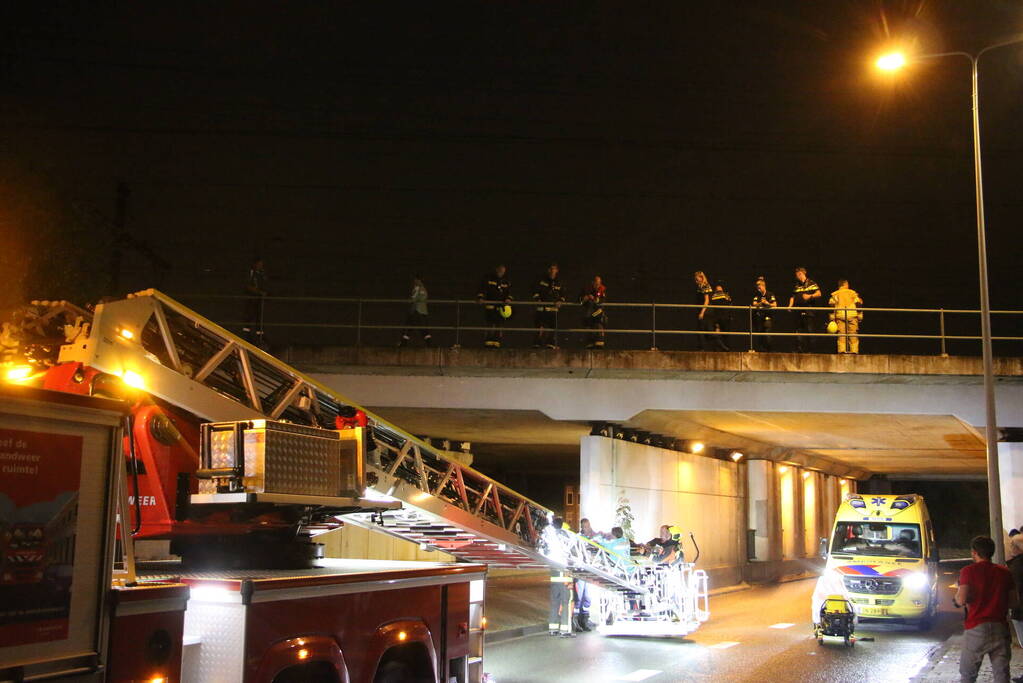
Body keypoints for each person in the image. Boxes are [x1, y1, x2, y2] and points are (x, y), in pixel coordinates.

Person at [954, 535, 1018, 683]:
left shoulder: (968, 571)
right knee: (1002, 675)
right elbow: (1014, 602)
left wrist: (957, 595)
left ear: (974, 552)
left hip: (976, 627)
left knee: (968, 675)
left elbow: (961, 599)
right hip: (1000, 628)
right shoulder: (1005, 572)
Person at [542, 516, 574, 637]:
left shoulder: (549, 536)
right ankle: (565, 629)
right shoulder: (565, 536)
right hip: (564, 574)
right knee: (566, 602)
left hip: (554, 574)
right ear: (562, 524)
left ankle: (553, 628)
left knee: (554, 602)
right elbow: (571, 552)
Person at [788, 267, 822, 353]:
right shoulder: (797, 285)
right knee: (799, 330)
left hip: (809, 311)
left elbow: (819, 294)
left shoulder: (811, 283)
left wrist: (809, 296)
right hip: (798, 311)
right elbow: (792, 297)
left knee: (810, 330)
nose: (796, 277)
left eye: (797, 275)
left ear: (801, 274)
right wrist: (790, 306)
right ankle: (800, 350)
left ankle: (812, 350)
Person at [477, 265, 512, 348]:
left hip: (500, 306)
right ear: (496, 270)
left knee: (499, 324)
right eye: (500, 270)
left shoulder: (506, 281)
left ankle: (496, 342)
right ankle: (488, 342)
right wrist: (480, 297)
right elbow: (482, 289)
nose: (501, 272)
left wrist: (508, 299)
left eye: (503, 271)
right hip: (490, 305)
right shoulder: (489, 278)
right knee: (490, 323)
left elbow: (509, 292)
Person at [532, 264, 565, 349]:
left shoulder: (559, 282)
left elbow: (563, 294)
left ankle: (550, 344)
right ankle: (537, 343)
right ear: (548, 270)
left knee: (552, 327)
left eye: (554, 269)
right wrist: (537, 299)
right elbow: (535, 291)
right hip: (541, 308)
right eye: (551, 269)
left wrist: (560, 301)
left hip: (553, 309)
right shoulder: (541, 280)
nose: (552, 271)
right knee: (539, 327)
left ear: (557, 270)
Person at [829, 279, 863, 354]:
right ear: (845, 284)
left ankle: (842, 351)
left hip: (840, 315)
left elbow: (831, 306)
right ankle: (854, 351)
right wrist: (860, 316)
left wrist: (832, 318)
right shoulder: (853, 293)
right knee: (853, 333)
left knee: (841, 334)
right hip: (852, 315)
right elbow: (859, 304)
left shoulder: (835, 294)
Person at [398, 274, 432, 347]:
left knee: (410, 326)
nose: (414, 281)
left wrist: (413, 300)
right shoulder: (420, 289)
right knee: (420, 327)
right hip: (419, 311)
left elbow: (416, 298)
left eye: (416, 280)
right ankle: (429, 344)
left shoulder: (419, 288)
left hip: (418, 311)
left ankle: (403, 343)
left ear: (418, 280)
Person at [242, 257, 267, 345]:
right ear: (255, 264)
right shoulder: (250, 273)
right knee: (249, 316)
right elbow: (248, 285)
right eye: (259, 264)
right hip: (251, 299)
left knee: (258, 317)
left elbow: (263, 284)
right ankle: (246, 336)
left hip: (258, 300)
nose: (261, 266)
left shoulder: (261, 273)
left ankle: (260, 336)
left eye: (261, 264)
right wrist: (259, 292)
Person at [580, 276, 607, 349]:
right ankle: (590, 343)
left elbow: (602, 302)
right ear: (593, 282)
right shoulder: (586, 289)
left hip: (597, 312)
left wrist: (594, 299)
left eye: (598, 284)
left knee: (598, 324)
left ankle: (599, 342)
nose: (597, 285)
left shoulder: (602, 290)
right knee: (588, 324)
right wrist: (585, 298)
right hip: (588, 313)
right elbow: (579, 300)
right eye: (596, 283)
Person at [751, 276, 777, 352]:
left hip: (768, 317)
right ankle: (761, 350)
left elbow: (775, 305)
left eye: (759, 287)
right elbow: (754, 304)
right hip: (759, 318)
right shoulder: (757, 295)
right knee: (760, 334)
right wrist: (760, 303)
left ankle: (769, 350)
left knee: (768, 334)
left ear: (763, 286)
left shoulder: (770, 294)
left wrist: (767, 303)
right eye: (757, 287)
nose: (758, 289)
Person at [1009, 529, 1023, 649]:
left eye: (1012, 545)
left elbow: (1016, 587)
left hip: (1020, 612)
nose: (1010, 548)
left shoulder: (1017, 565)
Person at [693, 271, 713, 350]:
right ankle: (702, 348)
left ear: (701, 278)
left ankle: (721, 347)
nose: (696, 281)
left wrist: (702, 312)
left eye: (697, 279)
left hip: (706, 311)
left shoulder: (705, 286)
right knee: (701, 330)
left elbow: (706, 300)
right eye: (695, 279)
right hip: (702, 310)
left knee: (706, 330)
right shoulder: (700, 287)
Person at [709, 281, 732, 351]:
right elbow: (730, 303)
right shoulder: (726, 295)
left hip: (717, 317)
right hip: (725, 317)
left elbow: (711, 306)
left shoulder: (713, 296)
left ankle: (720, 348)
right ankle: (726, 348)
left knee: (717, 334)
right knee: (726, 334)